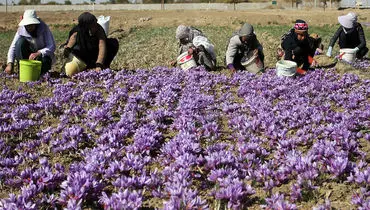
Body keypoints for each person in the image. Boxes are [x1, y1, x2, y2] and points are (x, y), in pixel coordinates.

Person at [5, 9, 56, 75]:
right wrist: (10, 63)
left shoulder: (43, 28)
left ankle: (40, 73)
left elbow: (51, 46)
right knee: (20, 42)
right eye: (27, 25)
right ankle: (23, 70)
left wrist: (39, 53)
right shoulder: (21, 29)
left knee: (45, 62)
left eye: (31, 25)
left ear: (36, 23)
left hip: (41, 57)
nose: (29, 27)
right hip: (27, 57)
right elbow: (13, 47)